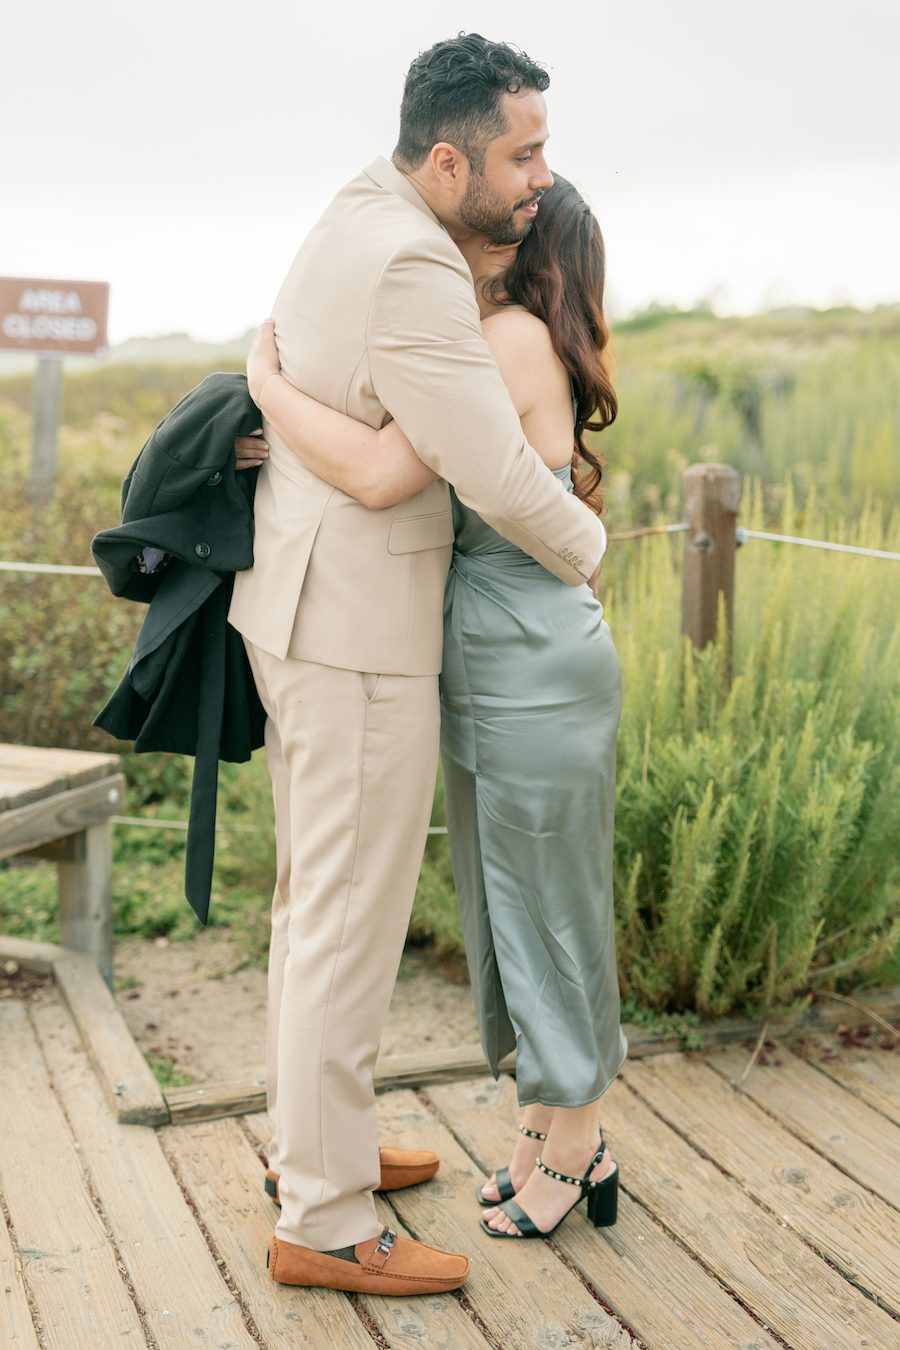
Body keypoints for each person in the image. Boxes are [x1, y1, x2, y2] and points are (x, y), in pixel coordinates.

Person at [227, 33, 607, 1293]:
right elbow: (491, 474)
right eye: (522, 152)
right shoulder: (413, 266)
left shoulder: (358, 205)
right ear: (449, 159)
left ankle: (311, 1150)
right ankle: (327, 1221)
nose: (538, 176)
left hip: (304, 610)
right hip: (359, 636)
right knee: (345, 923)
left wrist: (266, 391)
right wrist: (586, 542)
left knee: (310, 909)